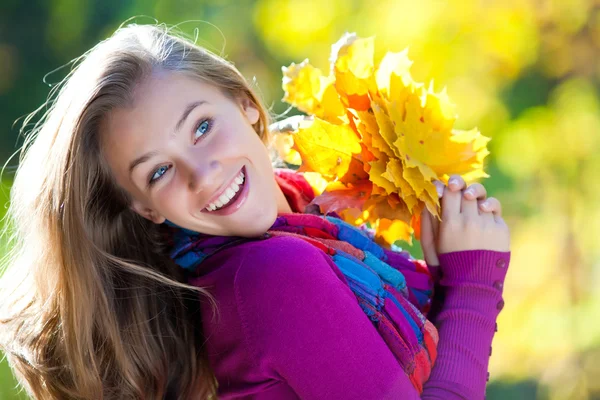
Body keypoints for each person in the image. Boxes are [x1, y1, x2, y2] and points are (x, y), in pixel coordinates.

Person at [0, 24, 510, 400]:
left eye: (200, 127)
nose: (201, 173)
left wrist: (446, 274)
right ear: (144, 208)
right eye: (158, 172)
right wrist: (472, 288)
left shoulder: (311, 220)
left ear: (245, 104)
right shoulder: (269, 275)